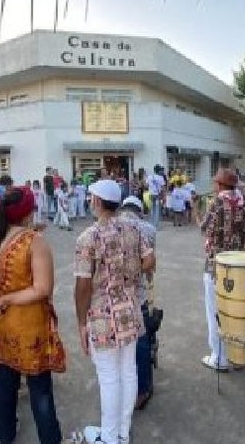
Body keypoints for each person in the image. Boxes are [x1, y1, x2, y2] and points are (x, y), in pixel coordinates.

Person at [0, 187, 66, 444]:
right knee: (40, 389)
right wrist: (7, 298)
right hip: (29, 327)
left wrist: (0, 300)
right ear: (28, 213)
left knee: (5, 382)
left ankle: (5, 436)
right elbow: (42, 289)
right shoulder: (33, 241)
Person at [74, 179, 155, 444]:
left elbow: (83, 285)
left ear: (97, 201)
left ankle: (109, 438)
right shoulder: (135, 228)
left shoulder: (88, 237)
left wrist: (81, 323)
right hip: (131, 310)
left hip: (101, 317)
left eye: (90, 198)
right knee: (128, 371)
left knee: (109, 377)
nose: (89, 202)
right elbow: (149, 261)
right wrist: (128, 276)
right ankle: (122, 432)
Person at [199, 169, 245, 371]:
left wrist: (195, 211)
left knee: (215, 312)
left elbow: (204, 228)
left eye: (216, 183)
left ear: (220, 185)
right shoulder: (244, 204)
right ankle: (238, 356)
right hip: (241, 268)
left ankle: (219, 358)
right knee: (236, 313)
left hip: (217, 268)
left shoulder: (216, 203)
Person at [117, 195, 158, 410]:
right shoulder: (148, 229)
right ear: (140, 211)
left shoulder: (106, 226)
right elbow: (150, 265)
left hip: (112, 297)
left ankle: (120, 389)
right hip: (137, 294)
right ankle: (142, 390)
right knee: (141, 342)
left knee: (120, 344)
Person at [146, 165, 166, 229]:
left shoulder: (149, 177)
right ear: (159, 170)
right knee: (157, 209)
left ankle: (151, 224)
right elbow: (163, 188)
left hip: (151, 194)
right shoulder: (161, 178)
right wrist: (164, 196)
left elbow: (146, 185)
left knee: (151, 209)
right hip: (158, 195)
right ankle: (156, 225)